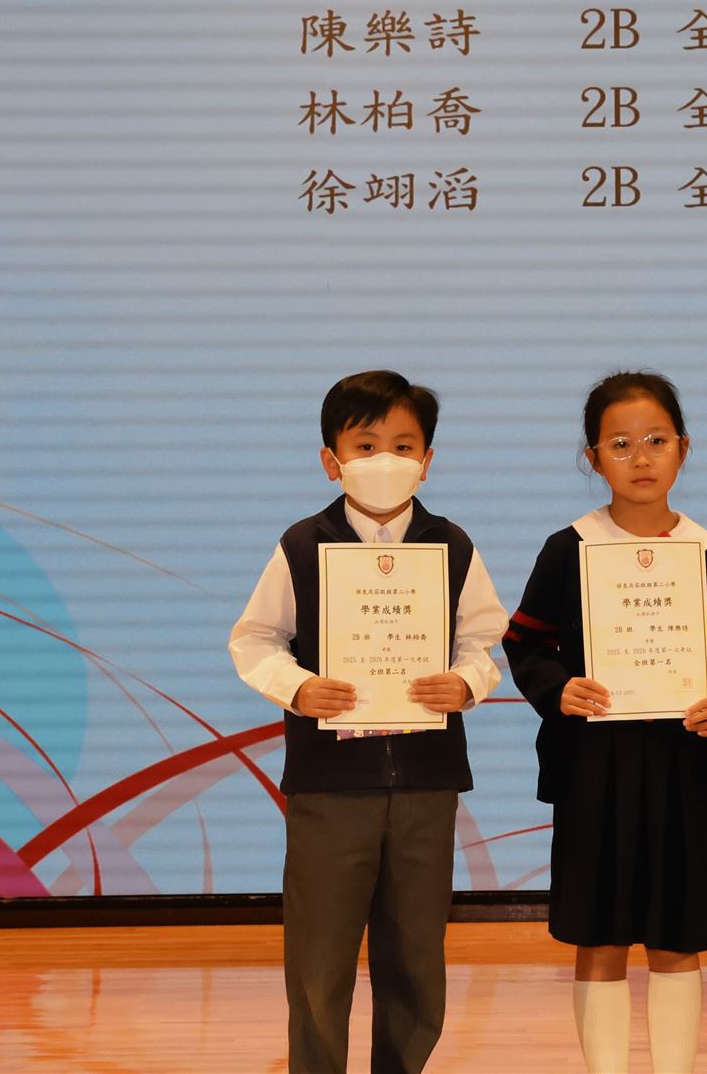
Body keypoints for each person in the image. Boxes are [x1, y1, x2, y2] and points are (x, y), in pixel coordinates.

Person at [228, 369, 508, 1074]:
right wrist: (299, 688)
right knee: (319, 959)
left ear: (427, 460)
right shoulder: (302, 544)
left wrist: (465, 682)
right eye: (366, 444)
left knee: (415, 955)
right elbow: (255, 640)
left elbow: (482, 641)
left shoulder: (452, 544)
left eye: (403, 445)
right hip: (330, 783)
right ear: (333, 460)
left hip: (425, 782)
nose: (386, 460)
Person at [503, 371, 707, 1074]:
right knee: (601, 934)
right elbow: (525, 643)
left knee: (678, 935)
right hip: (593, 772)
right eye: (619, 444)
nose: (639, 457)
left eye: (655, 440)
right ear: (593, 457)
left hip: (683, 769)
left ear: (683, 448)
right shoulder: (568, 548)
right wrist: (559, 687)